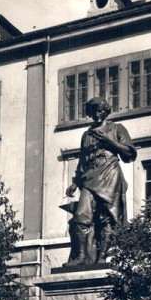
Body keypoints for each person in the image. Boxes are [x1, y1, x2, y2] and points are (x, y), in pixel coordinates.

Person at [64, 97, 137, 266]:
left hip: (110, 173)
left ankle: (102, 256)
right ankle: (81, 256)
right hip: (90, 176)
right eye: (93, 112)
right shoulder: (86, 135)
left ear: (106, 111)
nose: (97, 115)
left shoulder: (117, 128)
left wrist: (110, 141)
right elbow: (83, 160)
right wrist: (75, 183)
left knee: (107, 217)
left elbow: (129, 153)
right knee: (81, 216)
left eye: (100, 111)